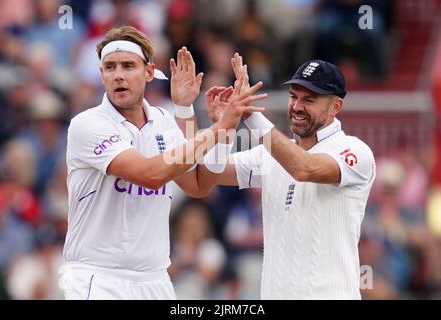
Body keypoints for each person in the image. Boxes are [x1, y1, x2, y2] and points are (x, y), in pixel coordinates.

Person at [59, 26, 266, 300]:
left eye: (128, 66)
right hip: (99, 278)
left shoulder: (163, 120)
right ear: (101, 75)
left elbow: (199, 184)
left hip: (155, 279)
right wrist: (218, 129)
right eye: (110, 67)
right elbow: (151, 174)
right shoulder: (88, 123)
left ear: (148, 72)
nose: (118, 74)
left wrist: (220, 128)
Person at [205, 54, 376, 299]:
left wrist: (249, 113)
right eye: (293, 96)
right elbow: (211, 173)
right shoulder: (270, 154)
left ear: (335, 106)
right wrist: (221, 128)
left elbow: (303, 168)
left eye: (309, 99)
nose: (296, 106)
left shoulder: (356, 151)